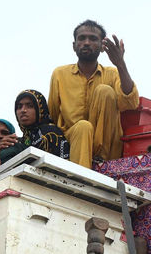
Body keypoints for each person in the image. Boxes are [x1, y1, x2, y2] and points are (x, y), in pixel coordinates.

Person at [48, 19, 139, 168]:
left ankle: (99, 160)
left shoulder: (112, 73)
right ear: (74, 45)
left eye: (93, 38)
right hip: (74, 143)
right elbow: (52, 114)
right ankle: (82, 181)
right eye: (82, 38)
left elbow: (130, 103)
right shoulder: (59, 74)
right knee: (83, 127)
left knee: (105, 91)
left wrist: (120, 63)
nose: (86, 42)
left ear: (103, 47)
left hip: (107, 150)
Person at [0, 90, 71, 163]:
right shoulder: (21, 140)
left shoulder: (49, 133)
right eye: (19, 107)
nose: (23, 110)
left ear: (40, 109)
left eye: (30, 106)